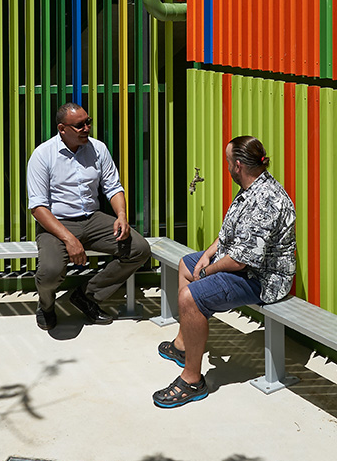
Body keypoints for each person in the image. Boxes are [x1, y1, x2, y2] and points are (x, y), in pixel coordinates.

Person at [153, 134, 297, 407]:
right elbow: (229, 236)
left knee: (190, 297)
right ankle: (184, 345)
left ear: (238, 165)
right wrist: (207, 256)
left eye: (228, 161)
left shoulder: (265, 200)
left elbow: (241, 260)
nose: (227, 167)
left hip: (262, 279)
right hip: (242, 266)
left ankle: (193, 380)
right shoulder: (251, 188)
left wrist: (206, 273)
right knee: (187, 264)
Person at [26, 101, 149, 330]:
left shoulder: (98, 148)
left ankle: (86, 296)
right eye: (79, 125)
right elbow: (38, 207)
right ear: (62, 129)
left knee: (139, 249)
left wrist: (121, 216)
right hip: (57, 223)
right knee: (51, 272)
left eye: (88, 122)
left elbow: (113, 187)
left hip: (92, 219)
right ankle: (46, 305)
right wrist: (69, 239)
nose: (86, 128)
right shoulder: (43, 155)